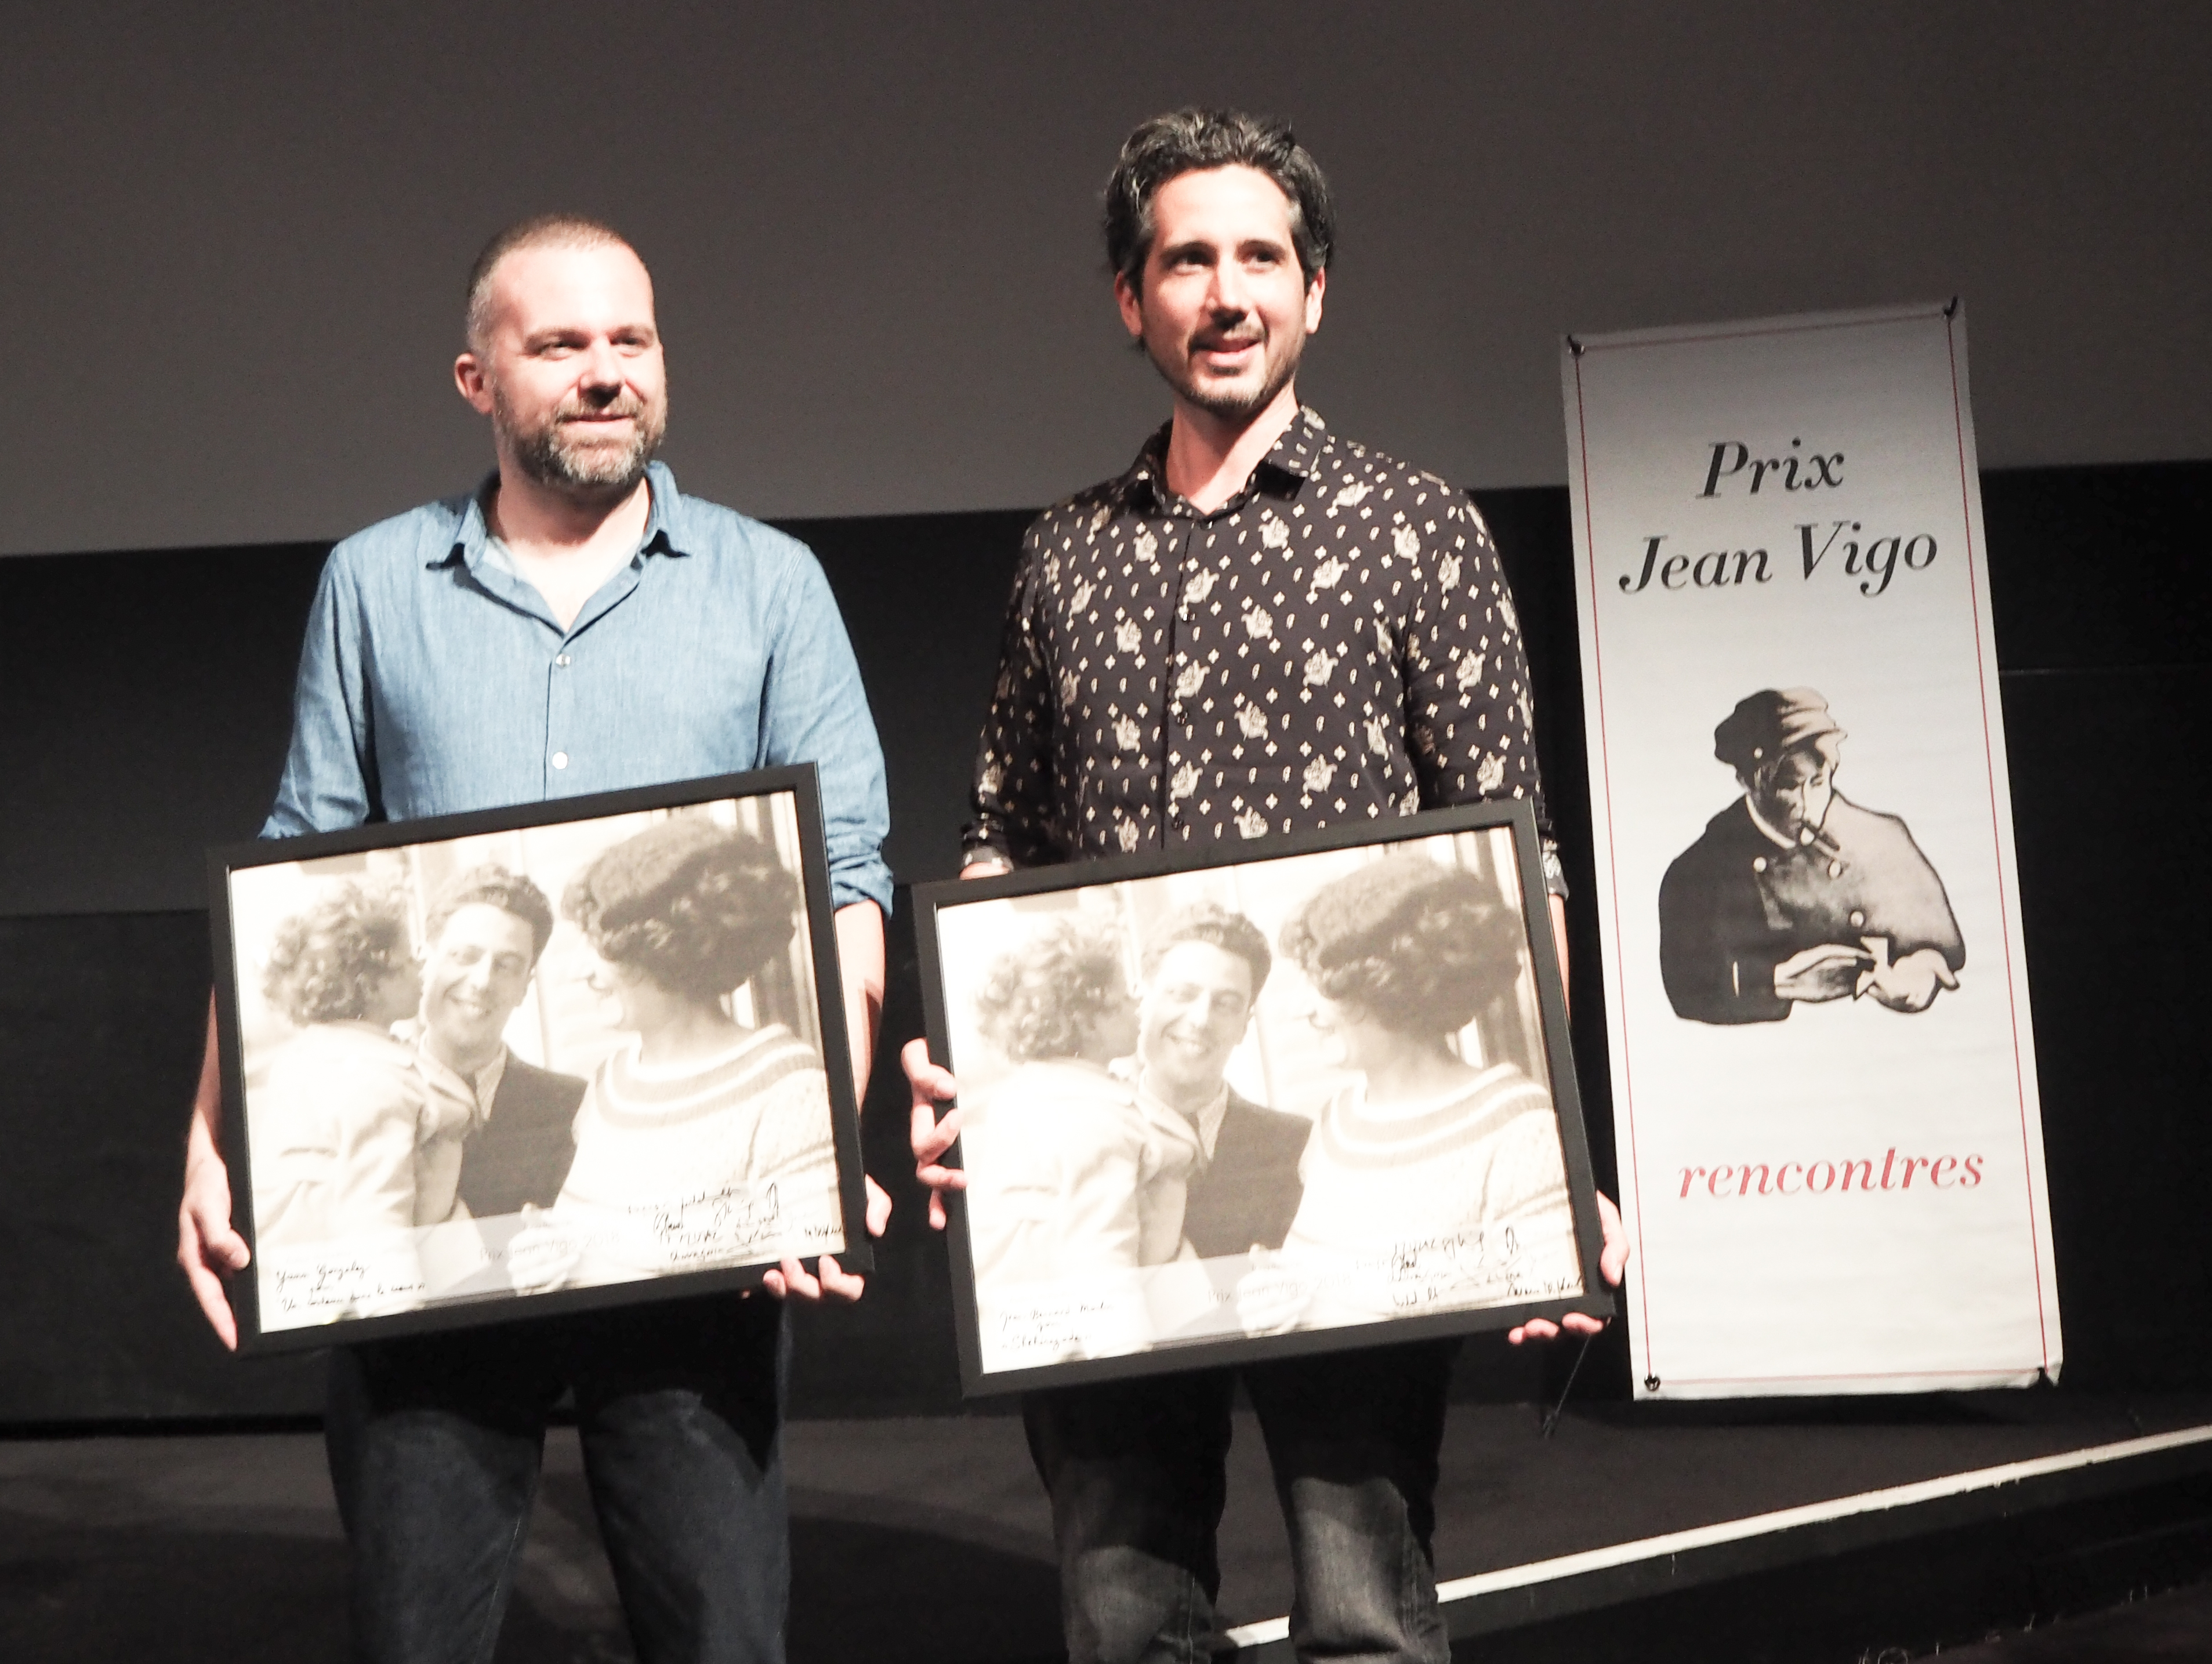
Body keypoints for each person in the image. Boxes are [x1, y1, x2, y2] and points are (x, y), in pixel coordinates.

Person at [905, 109, 1627, 1664]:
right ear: (1129, 299)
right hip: (1110, 1157)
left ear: (1314, 291)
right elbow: (999, 851)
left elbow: (1511, 865)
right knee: (1119, 1599)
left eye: (1258, 256)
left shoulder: (1417, 530)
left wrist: (1543, 1155)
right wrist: (964, 1057)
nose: (1223, 291)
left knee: (1363, 1599)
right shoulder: (1061, 558)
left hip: (1349, 1156)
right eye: (1184, 259)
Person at [177, 213, 893, 1664]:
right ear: (475, 379)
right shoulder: (375, 586)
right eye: (558, 344)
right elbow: (303, 875)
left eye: (629, 338)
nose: (603, 372)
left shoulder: (770, 586)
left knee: (722, 1638)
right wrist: (210, 1129)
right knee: (417, 1636)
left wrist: (811, 1140)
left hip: (693, 1218)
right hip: (429, 1220)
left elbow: (847, 884)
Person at [1241, 857, 1580, 1334]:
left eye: (1321, 987)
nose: (1302, 1010)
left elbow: (1547, 1310)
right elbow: (1313, 1277)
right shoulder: (1337, 1121)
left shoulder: (1521, 1130)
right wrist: (1272, 1295)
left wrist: (1321, 1312)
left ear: (1390, 983)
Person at [511, 816, 845, 1289]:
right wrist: (542, 1253)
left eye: (599, 946)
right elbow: (582, 1233)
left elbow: (805, 1272)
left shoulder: (790, 1090)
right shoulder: (612, 1081)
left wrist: (592, 1270)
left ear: (665, 947)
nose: (575, 973)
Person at [1658, 687, 1966, 1025]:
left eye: (1818, 783)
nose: (1808, 806)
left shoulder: (1880, 837)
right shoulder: (1699, 872)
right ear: (1747, 782)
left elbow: (1935, 944)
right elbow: (1687, 990)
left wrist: (1921, 969)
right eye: (1788, 786)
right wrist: (1778, 982)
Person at [249, 879, 446, 1257]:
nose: (421, 963)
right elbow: (375, 1219)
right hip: (341, 1282)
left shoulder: (322, 1053)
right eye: (407, 961)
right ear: (369, 988)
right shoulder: (367, 1079)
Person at [1125, 903, 1311, 1261]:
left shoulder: (1297, 1146)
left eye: (1225, 1004)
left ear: (1245, 1024)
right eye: (1181, 994)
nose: (1200, 1019)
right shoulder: (1094, 1138)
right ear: (1140, 999)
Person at [409, 864, 588, 1220]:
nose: (482, 981)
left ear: (525, 986)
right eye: (465, 956)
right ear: (424, 961)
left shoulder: (573, 1107)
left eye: (506, 965)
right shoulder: (374, 1095)